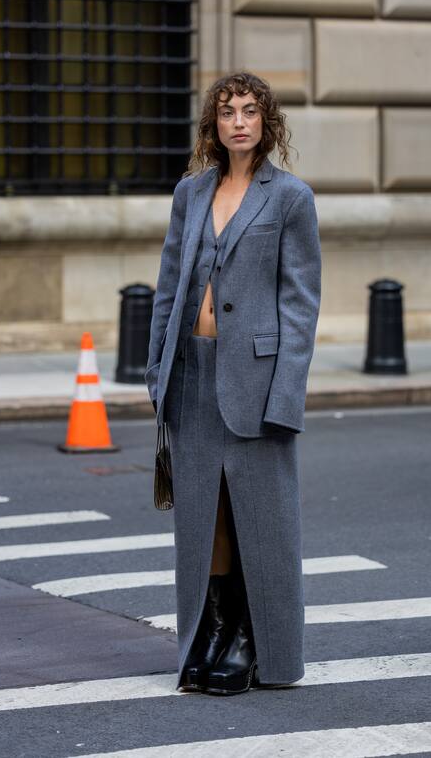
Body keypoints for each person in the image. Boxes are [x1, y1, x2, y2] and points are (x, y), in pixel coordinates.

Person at [145, 71, 321, 695]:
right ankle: (213, 631)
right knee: (204, 514)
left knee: (263, 519)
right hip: (191, 372)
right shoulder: (190, 193)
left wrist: (287, 394)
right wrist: (156, 369)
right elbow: (169, 288)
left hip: (256, 377)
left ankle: (252, 640)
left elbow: (300, 304)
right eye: (227, 112)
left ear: (266, 122)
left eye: (249, 111)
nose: (238, 122)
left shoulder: (290, 198)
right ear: (213, 124)